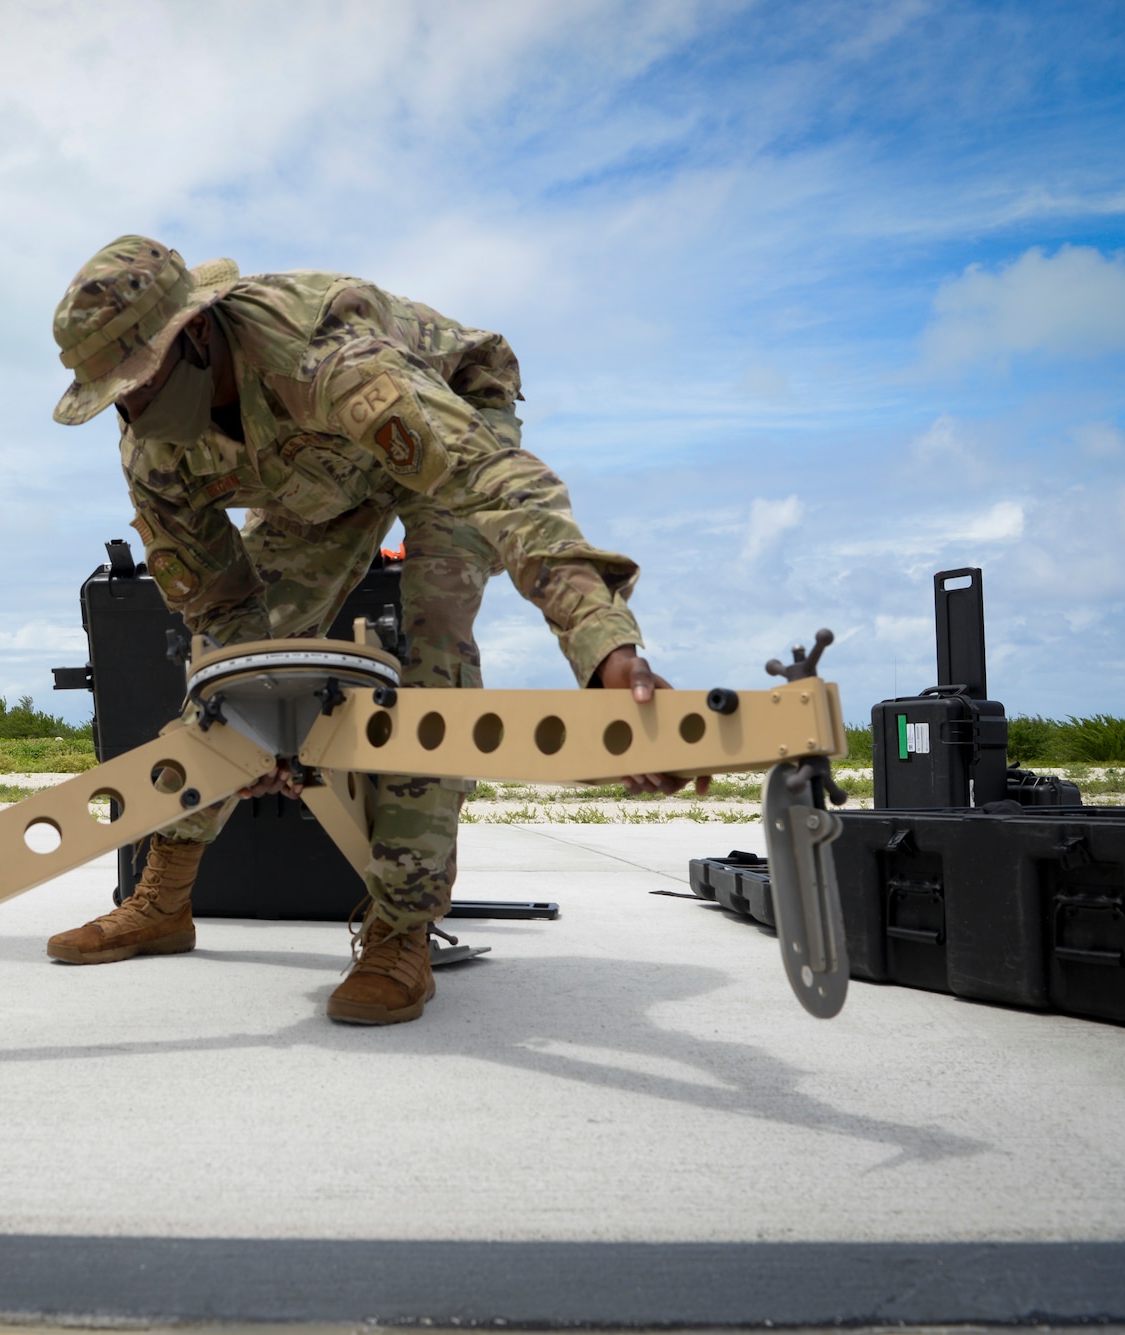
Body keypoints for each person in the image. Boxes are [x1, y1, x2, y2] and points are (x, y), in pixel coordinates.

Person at [43, 237, 699, 1024]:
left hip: (450, 420)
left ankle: (401, 931)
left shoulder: (325, 359)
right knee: (232, 670)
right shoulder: (151, 447)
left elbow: (493, 486)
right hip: (321, 482)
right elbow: (218, 600)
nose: (132, 409)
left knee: (432, 653)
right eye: (113, 394)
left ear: (197, 335)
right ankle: (165, 894)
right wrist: (260, 710)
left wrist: (606, 647)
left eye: (138, 382)